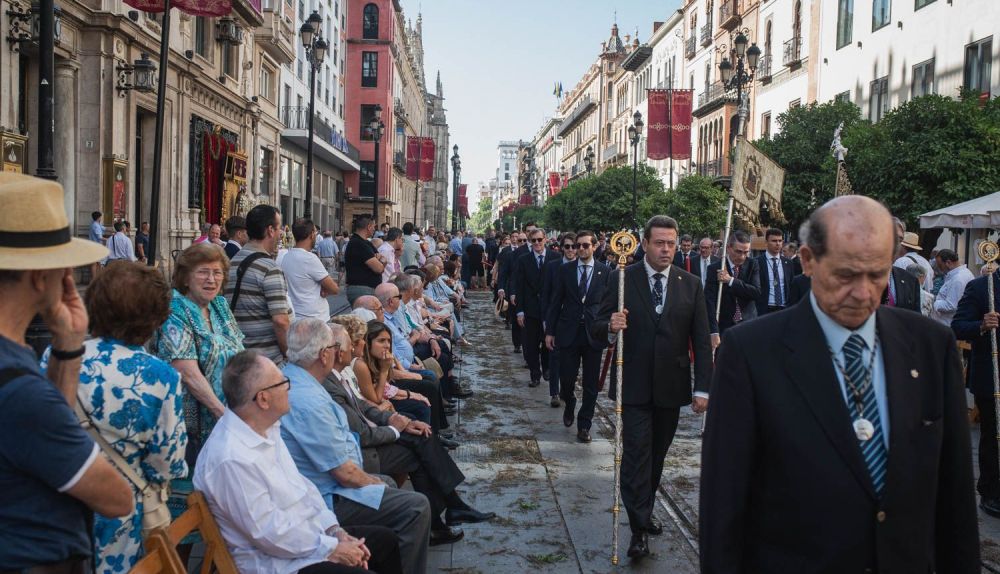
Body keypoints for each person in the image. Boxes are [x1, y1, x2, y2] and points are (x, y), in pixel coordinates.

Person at [701, 195, 980, 573]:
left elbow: (956, 497)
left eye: (877, 273)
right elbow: (724, 504)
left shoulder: (931, 346)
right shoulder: (750, 353)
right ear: (808, 260)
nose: (864, 292)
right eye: (846, 274)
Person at [0, 173, 133, 570]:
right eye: (63, 265)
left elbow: (38, 440)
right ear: (42, 277)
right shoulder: (20, 391)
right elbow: (116, 499)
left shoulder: (17, 369)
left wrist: (69, 346)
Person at [194, 350, 404, 574]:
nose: (289, 387)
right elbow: (269, 533)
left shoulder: (265, 427)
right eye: (283, 382)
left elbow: (303, 488)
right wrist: (332, 548)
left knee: (385, 541)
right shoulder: (231, 458)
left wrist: (335, 531)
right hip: (279, 564)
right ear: (263, 399)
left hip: (306, 539)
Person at [43, 261, 187, 572]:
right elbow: (168, 461)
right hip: (121, 509)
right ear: (155, 316)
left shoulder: (56, 355)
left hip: (60, 498)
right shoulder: (160, 376)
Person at [593, 215, 712, 560]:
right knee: (635, 456)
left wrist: (703, 388)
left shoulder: (689, 284)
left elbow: (701, 340)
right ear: (644, 244)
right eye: (659, 243)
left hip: (671, 388)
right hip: (632, 385)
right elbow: (596, 325)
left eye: (671, 243)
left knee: (656, 457)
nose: (665, 249)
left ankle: (643, 510)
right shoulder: (621, 279)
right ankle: (638, 529)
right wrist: (610, 326)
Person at [308, 322, 492, 539]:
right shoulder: (331, 381)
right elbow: (363, 430)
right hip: (358, 454)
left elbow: (363, 405)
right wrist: (396, 428)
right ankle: (448, 511)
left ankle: (442, 519)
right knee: (419, 439)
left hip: (369, 434)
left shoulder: (336, 376)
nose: (353, 348)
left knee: (419, 434)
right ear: (335, 353)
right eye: (351, 344)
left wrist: (395, 418)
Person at [278, 326, 434, 574]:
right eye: (334, 347)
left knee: (400, 479)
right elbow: (344, 473)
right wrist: (374, 482)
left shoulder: (300, 378)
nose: (345, 350)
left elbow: (360, 407)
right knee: (416, 508)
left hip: (326, 484)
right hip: (327, 497)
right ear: (324, 355)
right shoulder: (310, 399)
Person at [153, 242, 245, 515]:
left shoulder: (218, 306)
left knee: (221, 509)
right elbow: (186, 370)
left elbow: (240, 351)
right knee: (186, 511)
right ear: (185, 277)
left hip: (225, 422)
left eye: (217, 273)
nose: (211, 279)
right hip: (189, 426)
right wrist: (222, 413)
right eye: (203, 272)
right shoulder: (176, 309)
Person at [545, 230, 611, 442]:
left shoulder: (604, 272)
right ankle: (569, 401)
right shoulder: (565, 270)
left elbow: (608, 305)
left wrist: (610, 331)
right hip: (568, 332)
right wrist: (550, 331)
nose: (581, 249)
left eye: (585, 245)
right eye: (578, 245)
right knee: (566, 378)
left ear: (594, 247)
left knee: (592, 383)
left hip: (593, 333)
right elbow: (556, 301)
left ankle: (584, 424)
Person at [953, 263, 1000, 518]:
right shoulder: (982, 287)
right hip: (992, 375)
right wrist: (982, 325)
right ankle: (991, 491)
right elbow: (958, 326)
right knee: (993, 433)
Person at [226, 204, 291, 363]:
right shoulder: (270, 268)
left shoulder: (231, 262)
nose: (280, 233)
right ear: (270, 230)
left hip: (238, 356)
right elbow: (280, 321)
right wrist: (289, 355)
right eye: (278, 228)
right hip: (267, 360)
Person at [510, 228, 560, 387]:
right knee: (530, 345)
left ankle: (546, 368)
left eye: (539, 240)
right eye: (534, 241)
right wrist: (520, 311)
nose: (537, 243)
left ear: (545, 239)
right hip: (530, 308)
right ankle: (535, 374)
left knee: (548, 341)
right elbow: (520, 286)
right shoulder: (524, 259)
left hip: (549, 309)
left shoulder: (555, 257)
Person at [705, 230, 761, 349]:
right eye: (738, 252)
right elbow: (709, 301)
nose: (742, 257)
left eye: (746, 252)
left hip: (748, 323)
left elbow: (756, 292)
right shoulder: (715, 269)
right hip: (724, 326)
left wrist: (731, 281)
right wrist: (713, 331)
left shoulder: (753, 264)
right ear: (728, 248)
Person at [540, 233, 577, 407]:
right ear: (562, 248)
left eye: (574, 246)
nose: (571, 250)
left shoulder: (581, 267)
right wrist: (547, 320)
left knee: (570, 359)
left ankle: (566, 389)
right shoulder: (553, 266)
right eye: (567, 246)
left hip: (574, 320)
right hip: (556, 318)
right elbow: (546, 293)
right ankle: (554, 392)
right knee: (554, 356)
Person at [281, 218, 340, 322]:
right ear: (312, 234)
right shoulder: (310, 258)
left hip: (296, 315)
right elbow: (334, 288)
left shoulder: (286, 256)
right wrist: (325, 287)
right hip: (314, 318)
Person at [345, 215, 387, 305]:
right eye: (374, 227)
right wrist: (381, 261)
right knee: (367, 318)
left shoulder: (366, 243)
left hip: (368, 289)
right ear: (369, 227)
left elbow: (383, 259)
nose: (374, 229)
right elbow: (379, 268)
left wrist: (381, 260)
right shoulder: (358, 244)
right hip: (363, 290)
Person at [755, 227, 795, 315]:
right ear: (766, 242)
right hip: (765, 309)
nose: (778, 244)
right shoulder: (757, 262)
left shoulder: (788, 263)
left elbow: (792, 286)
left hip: (784, 308)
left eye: (780, 241)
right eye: (774, 241)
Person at [933, 248, 974, 326]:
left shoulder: (958, 279)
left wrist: (934, 302)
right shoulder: (963, 273)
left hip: (948, 324)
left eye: (940, 265)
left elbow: (951, 305)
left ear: (948, 263)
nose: (939, 269)